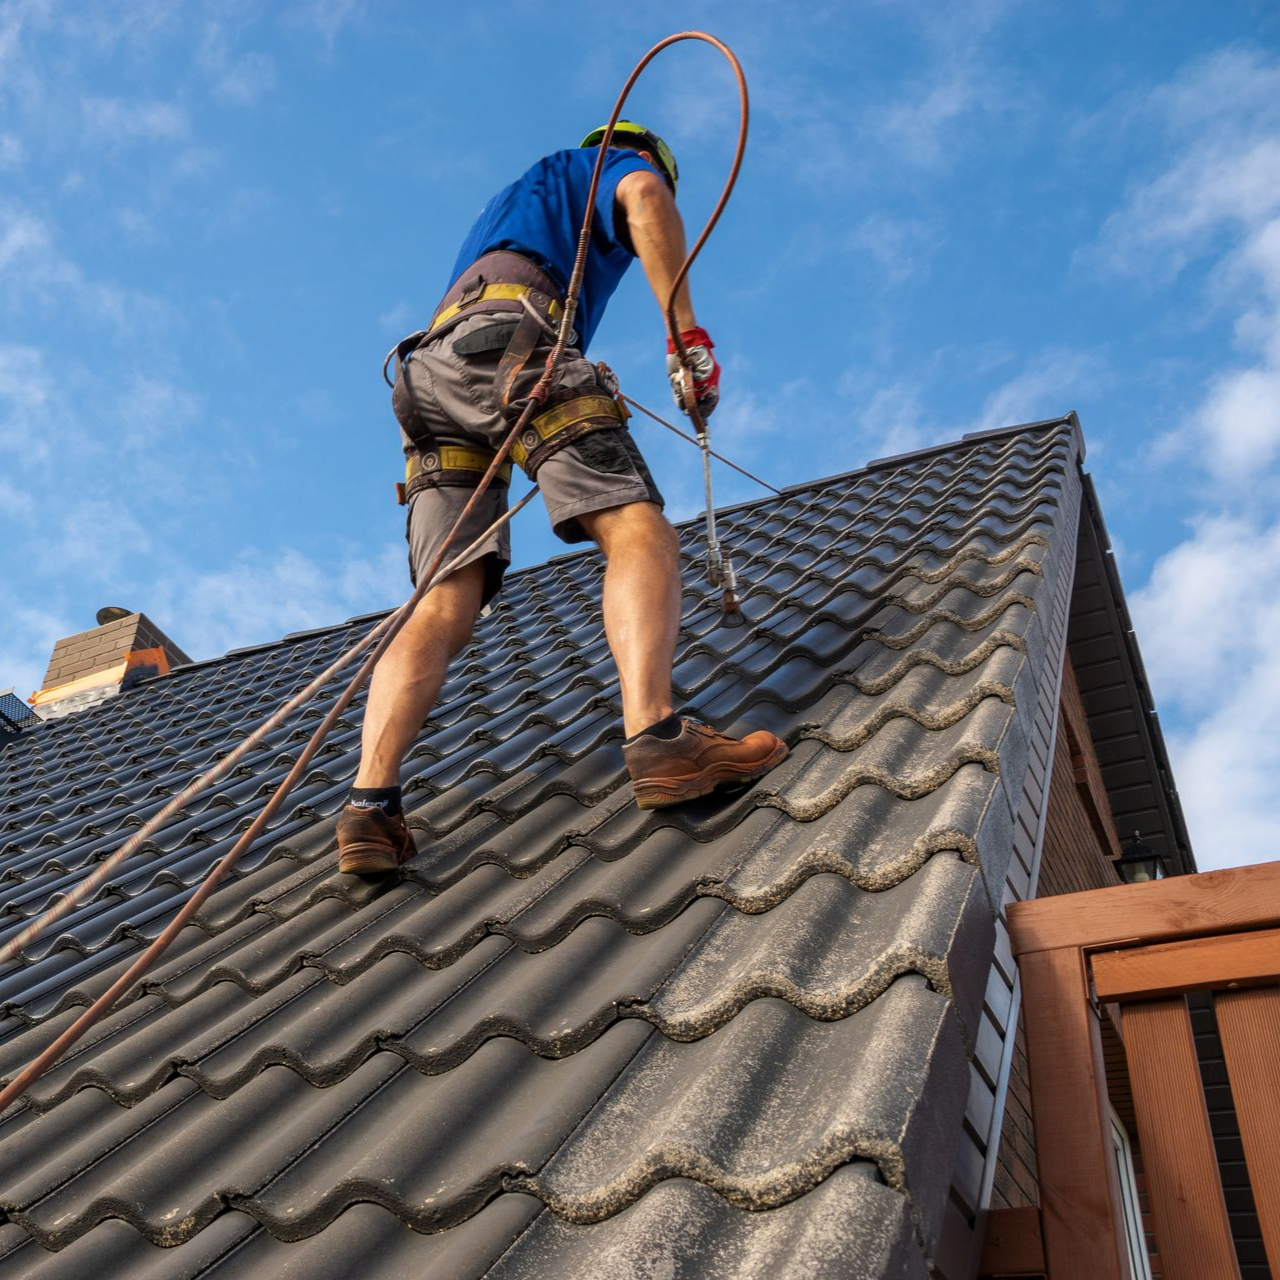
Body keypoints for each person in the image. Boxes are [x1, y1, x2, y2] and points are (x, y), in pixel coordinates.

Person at [336, 122, 787, 874]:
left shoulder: (513, 204)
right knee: (637, 529)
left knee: (442, 599)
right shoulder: (610, 166)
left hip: (429, 377)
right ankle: (658, 735)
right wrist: (687, 341)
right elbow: (643, 196)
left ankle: (369, 809)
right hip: (513, 344)